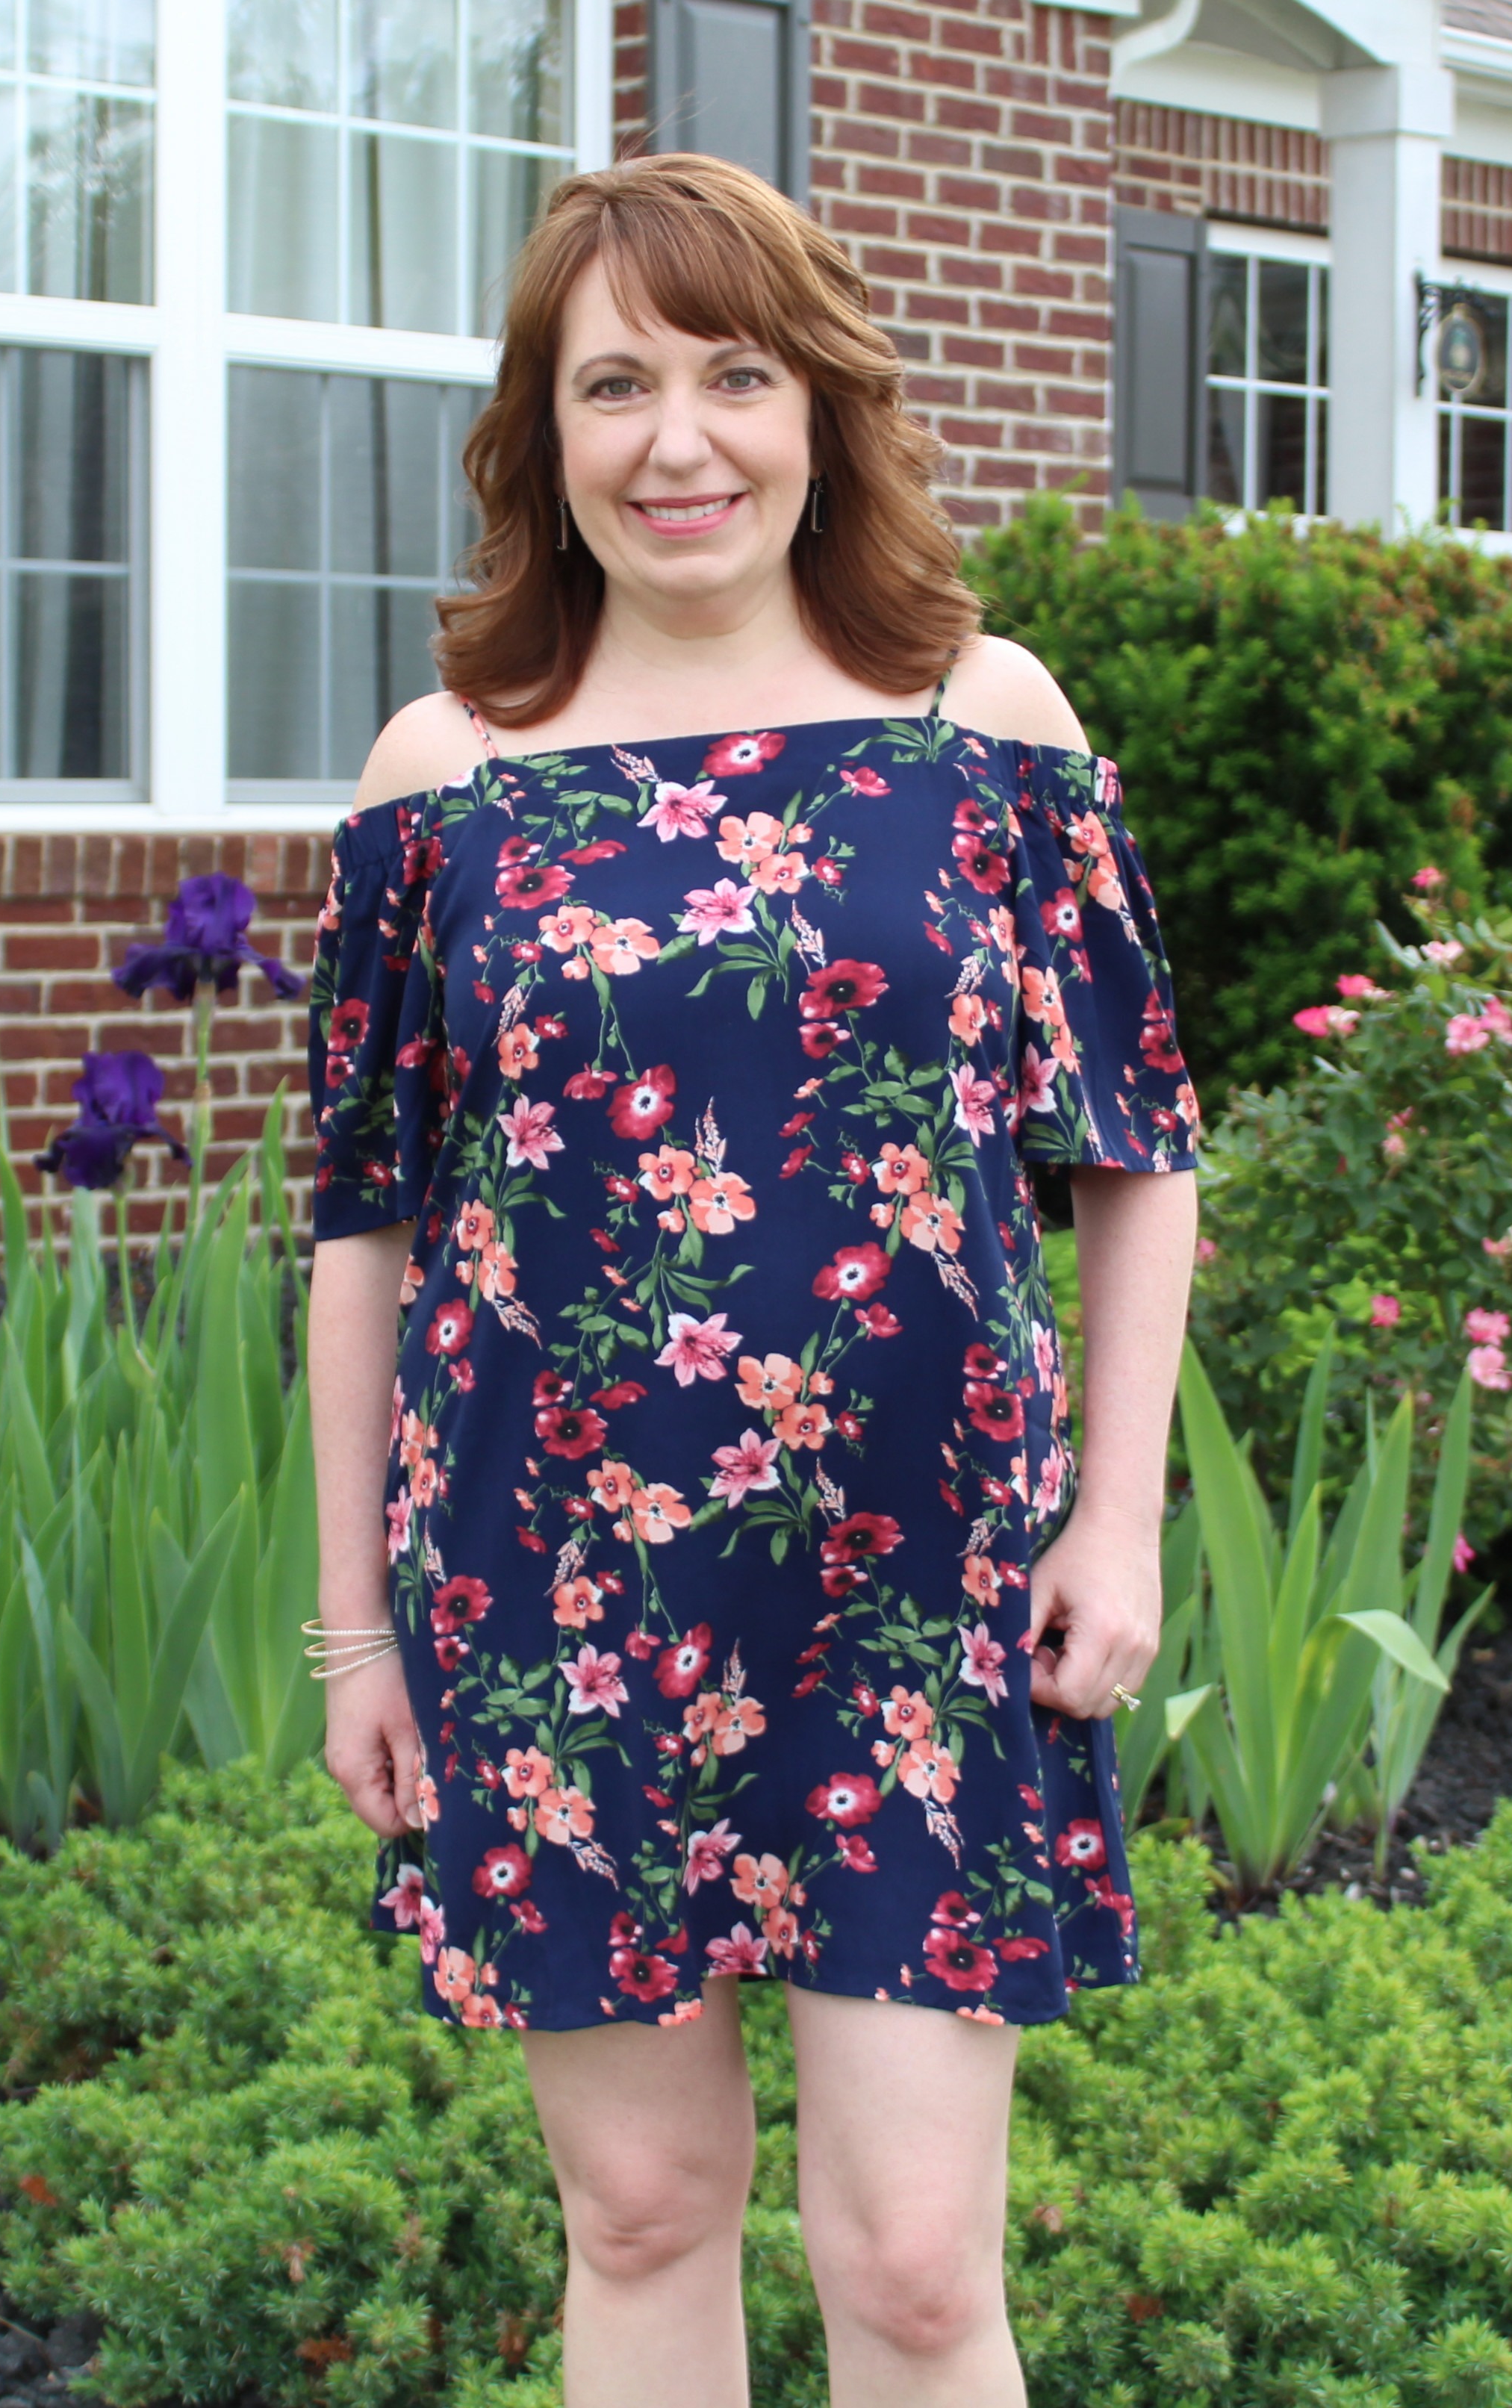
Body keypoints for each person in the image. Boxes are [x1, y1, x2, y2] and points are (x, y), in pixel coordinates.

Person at [304, 152, 1199, 2408]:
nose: (677, 437)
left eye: (733, 372)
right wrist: (354, 1633)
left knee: (908, 2265)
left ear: (821, 410)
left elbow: (1135, 1144)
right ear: (542, 433)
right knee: (641, 2211)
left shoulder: (982, 723)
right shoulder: (443, 780)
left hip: (913, 1587)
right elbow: (361, 1229)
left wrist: (1115, 1515)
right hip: (552, 1589)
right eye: (614, 383)